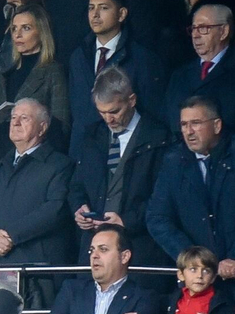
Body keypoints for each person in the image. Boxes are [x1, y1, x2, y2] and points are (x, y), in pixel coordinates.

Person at [147, 97, 235, 275]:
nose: (189, 131)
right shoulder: (173, 160)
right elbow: (157, 217)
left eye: (196, 123)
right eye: (184, 125)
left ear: (217, 125)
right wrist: (192, 257)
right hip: (197, 276)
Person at [0, 97, 76, 283]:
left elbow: (56, 209)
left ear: (42, 127)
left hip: (38, 271)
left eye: (24, 118)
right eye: (13, 117)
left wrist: (10, 236)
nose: (15, 123)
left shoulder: (60, 165)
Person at [70, 68, 172, 266]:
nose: (108, 119)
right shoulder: (91, 136)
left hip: (141, 249)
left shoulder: (159, 138)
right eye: (102, 112)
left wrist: (127, 221)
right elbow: (76, 185)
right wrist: (79, 209)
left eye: (114, 111)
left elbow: (164, 198)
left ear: (132, 100)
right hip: (94, 248)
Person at [161, 5, 235, 155]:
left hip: (231, 161)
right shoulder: (179, 76)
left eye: (203, 28)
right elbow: (169, 125)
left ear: (224, 31)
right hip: (185, 163)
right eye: (193, 29)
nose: (195, 35)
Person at [67, 0, 167, 139]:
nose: (95, 14)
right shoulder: (78, 57)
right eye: (91, 8)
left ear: (121, 14)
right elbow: (76, 113)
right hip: (84, 147)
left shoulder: (142, 58)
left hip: (124, 146)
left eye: (104, 8)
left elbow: (153, 112)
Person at [0, 6, 71, 147]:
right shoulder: (5, 71)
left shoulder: (53, 71)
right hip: (1, 153)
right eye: (14, 28)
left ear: (41, 32)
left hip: (35, 152)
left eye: (26, 28)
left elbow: (61, 124)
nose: (17, 35)